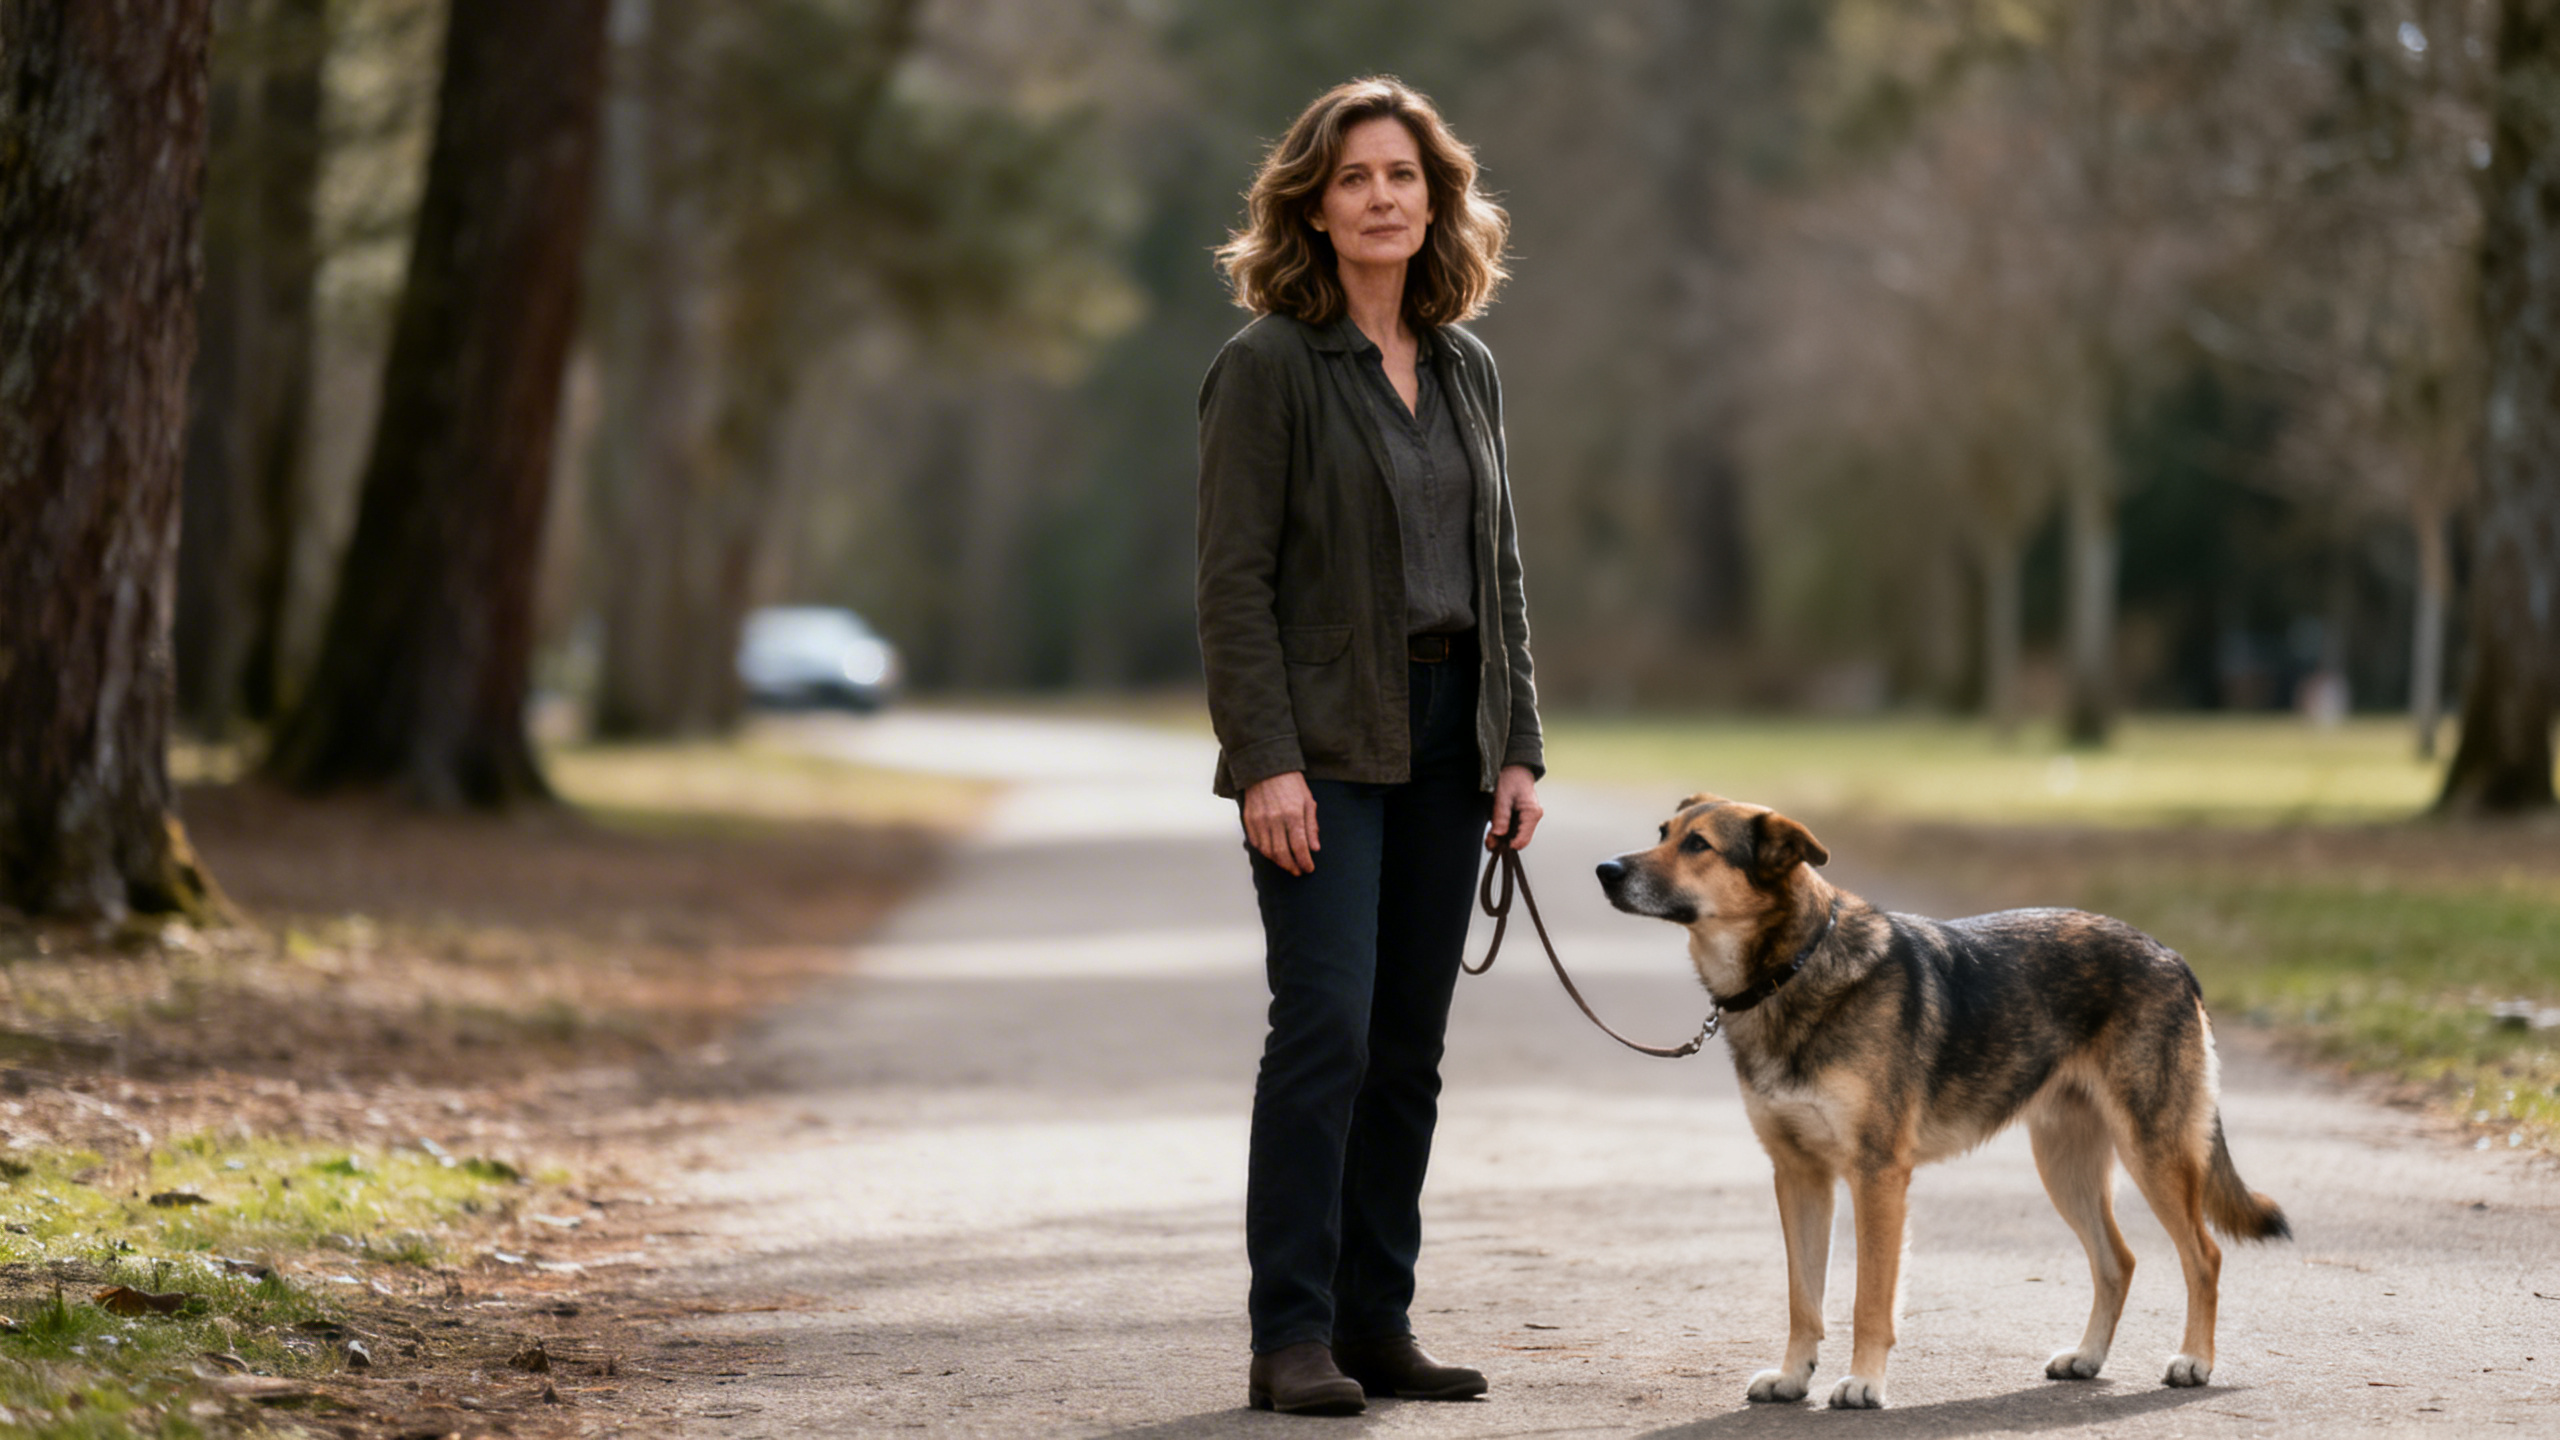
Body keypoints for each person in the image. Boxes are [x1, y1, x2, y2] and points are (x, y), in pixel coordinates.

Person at [1197, 75, 1545, 1417]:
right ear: (1313, 205)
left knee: (1407, 1044)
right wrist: (1265, 761)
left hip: (1455, 738)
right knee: (1327, 1027)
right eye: (1355, 178)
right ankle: (1290, 1333)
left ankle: (1375, 1322)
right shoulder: (1269, 367)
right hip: (1324, 741)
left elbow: (1499, 571)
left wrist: (1517, 746)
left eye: (1404, 176)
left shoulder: (1466, 368)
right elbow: (1233, 587)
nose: (1382, 198)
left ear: (1437, 198)